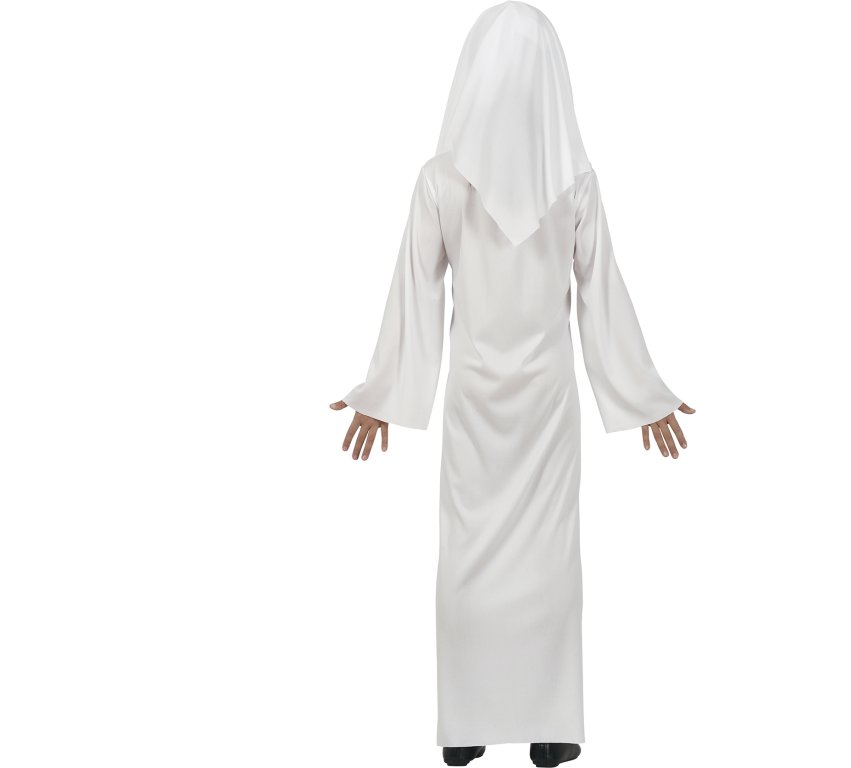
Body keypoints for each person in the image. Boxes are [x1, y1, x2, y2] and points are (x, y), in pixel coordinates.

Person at [330, 2, 695, 765]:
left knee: (469, 555)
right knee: (548, 559)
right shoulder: (574, 183)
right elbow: (601, 298)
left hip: (476, 397)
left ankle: (469, 728)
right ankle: (548, 728)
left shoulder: (441, 180)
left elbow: (415, 294)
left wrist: (386, 391)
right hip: (546, 402)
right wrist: (641, 391)